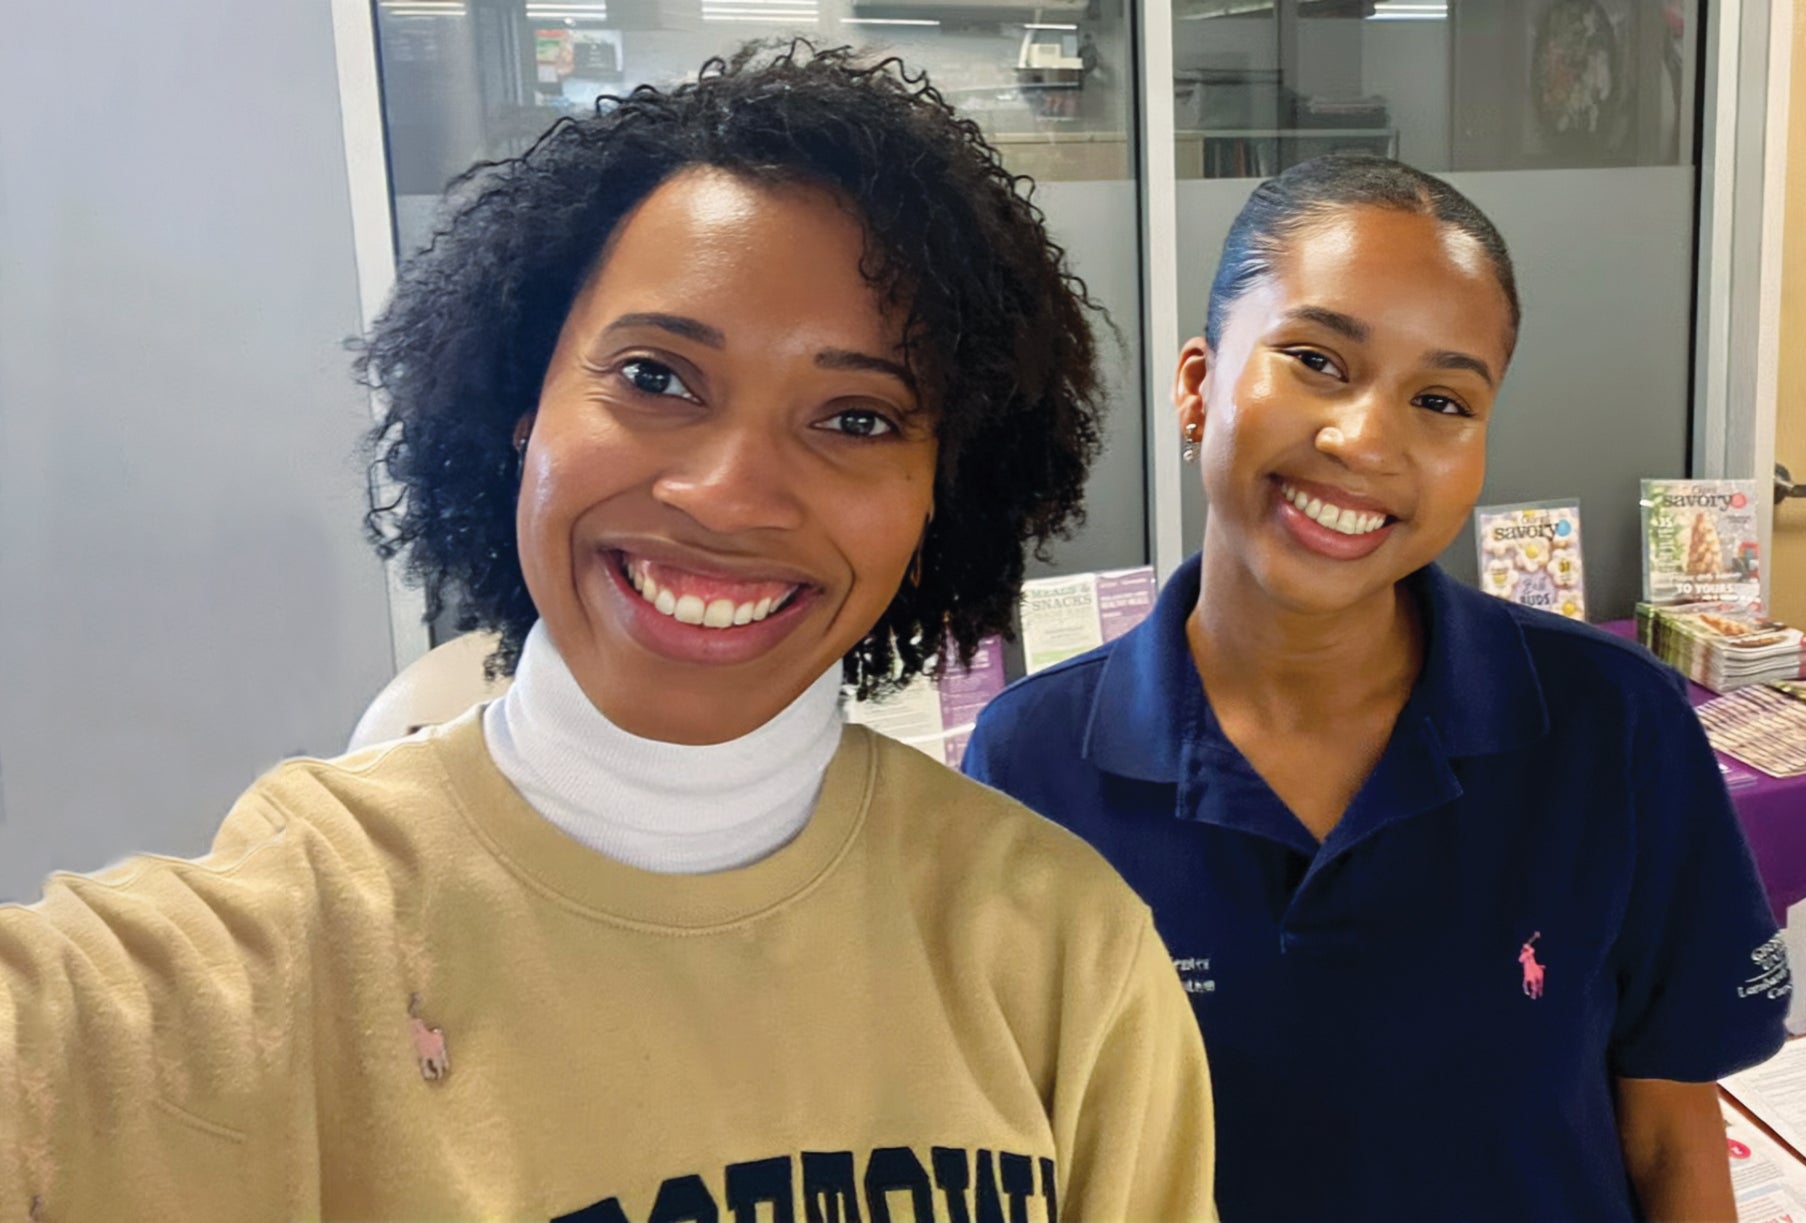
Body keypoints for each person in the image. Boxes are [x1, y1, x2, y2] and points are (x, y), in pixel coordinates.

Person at [0, 44, 1213, 1222]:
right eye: (656, 376)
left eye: (854, 415)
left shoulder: (1058, 948)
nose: (732, 493)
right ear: (521, 403)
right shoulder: (270, 947)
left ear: (944, 496)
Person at [963, 154, 1789, 1222]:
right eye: (1315, 359)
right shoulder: (1034, 762)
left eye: (1440, 398)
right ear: (1198, 384)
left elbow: (1672, 1135)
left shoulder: (1611, 723)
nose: (1364, 440)